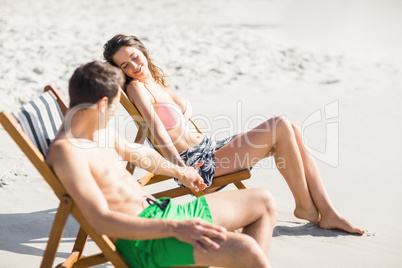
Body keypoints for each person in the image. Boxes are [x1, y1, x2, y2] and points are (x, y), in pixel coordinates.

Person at [103, 34, 365, 235]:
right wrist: (183, 170)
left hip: (209, 149)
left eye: (135, 57)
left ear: (143, 51)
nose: (134, 66)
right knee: (281, 125)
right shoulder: (137, 89)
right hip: (198, 164)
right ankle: (308, 208)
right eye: (125, 65)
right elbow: (158, 133)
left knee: (291, 129)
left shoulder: (154, 81)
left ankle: (325, 210)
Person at [46, 61, 276, 268]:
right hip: (145, 244)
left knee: (263, 201)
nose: (114, 112)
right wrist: (175, 228)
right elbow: (100, 220)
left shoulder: (97, 130)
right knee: (247, 249)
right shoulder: (68, 152)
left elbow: (138, 153)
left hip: (165, 213)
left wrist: (179, 171)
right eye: (115, 106)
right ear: (103, 104)